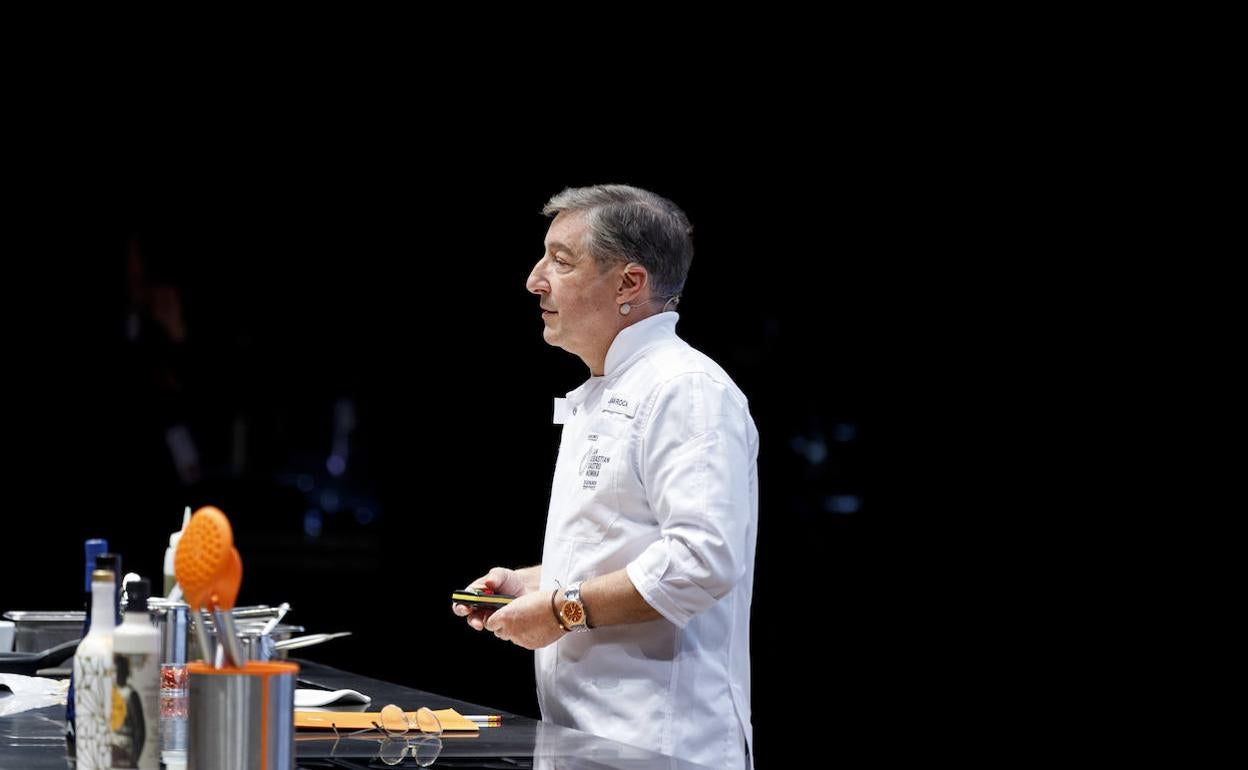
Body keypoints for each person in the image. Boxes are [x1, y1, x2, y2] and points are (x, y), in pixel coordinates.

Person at [453, 184, 759, 770]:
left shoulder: (686, 389)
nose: (535, 279)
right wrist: (535, 586)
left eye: (561, 261)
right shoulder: (607, 388)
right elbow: (621, 545)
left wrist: (561, 609)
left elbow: (703, 558)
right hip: (586, 740)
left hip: (662, 747)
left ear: (629, 284)